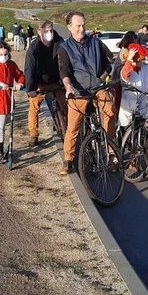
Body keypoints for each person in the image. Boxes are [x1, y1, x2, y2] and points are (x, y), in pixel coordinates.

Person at [57, 11, 115, 175]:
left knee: (110, 112)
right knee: (73, 126)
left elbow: (107, 65)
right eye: (78, 26)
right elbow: (64, 72)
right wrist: (68, 87)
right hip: (78, 91)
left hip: (98, 86)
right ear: (69, 27)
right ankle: (68, 159)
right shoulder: (64, 48)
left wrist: (102, 77)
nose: (82, 28)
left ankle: (111, 152)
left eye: (83, 25)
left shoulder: (96, 43)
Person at [24, 21, 65, 147]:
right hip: (39, 83)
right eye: (46, 31)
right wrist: (30, 87)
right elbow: (29, 68)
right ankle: (34, 135)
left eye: (51, 30)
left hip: (56, 80)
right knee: (34, 108)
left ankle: (66, 127)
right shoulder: (34, 47)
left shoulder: (60, 41)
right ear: (39, 32)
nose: (49, 33)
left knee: (65, 105)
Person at [117, 31, 148, 128]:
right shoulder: (127, 68)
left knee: (140, 126)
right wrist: (129, 59)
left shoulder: (146, 67)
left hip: (142, 103)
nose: (140, 62)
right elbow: (125, 75)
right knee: (125, 127)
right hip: (128, 105)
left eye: (141, 60)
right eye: (138, 60)